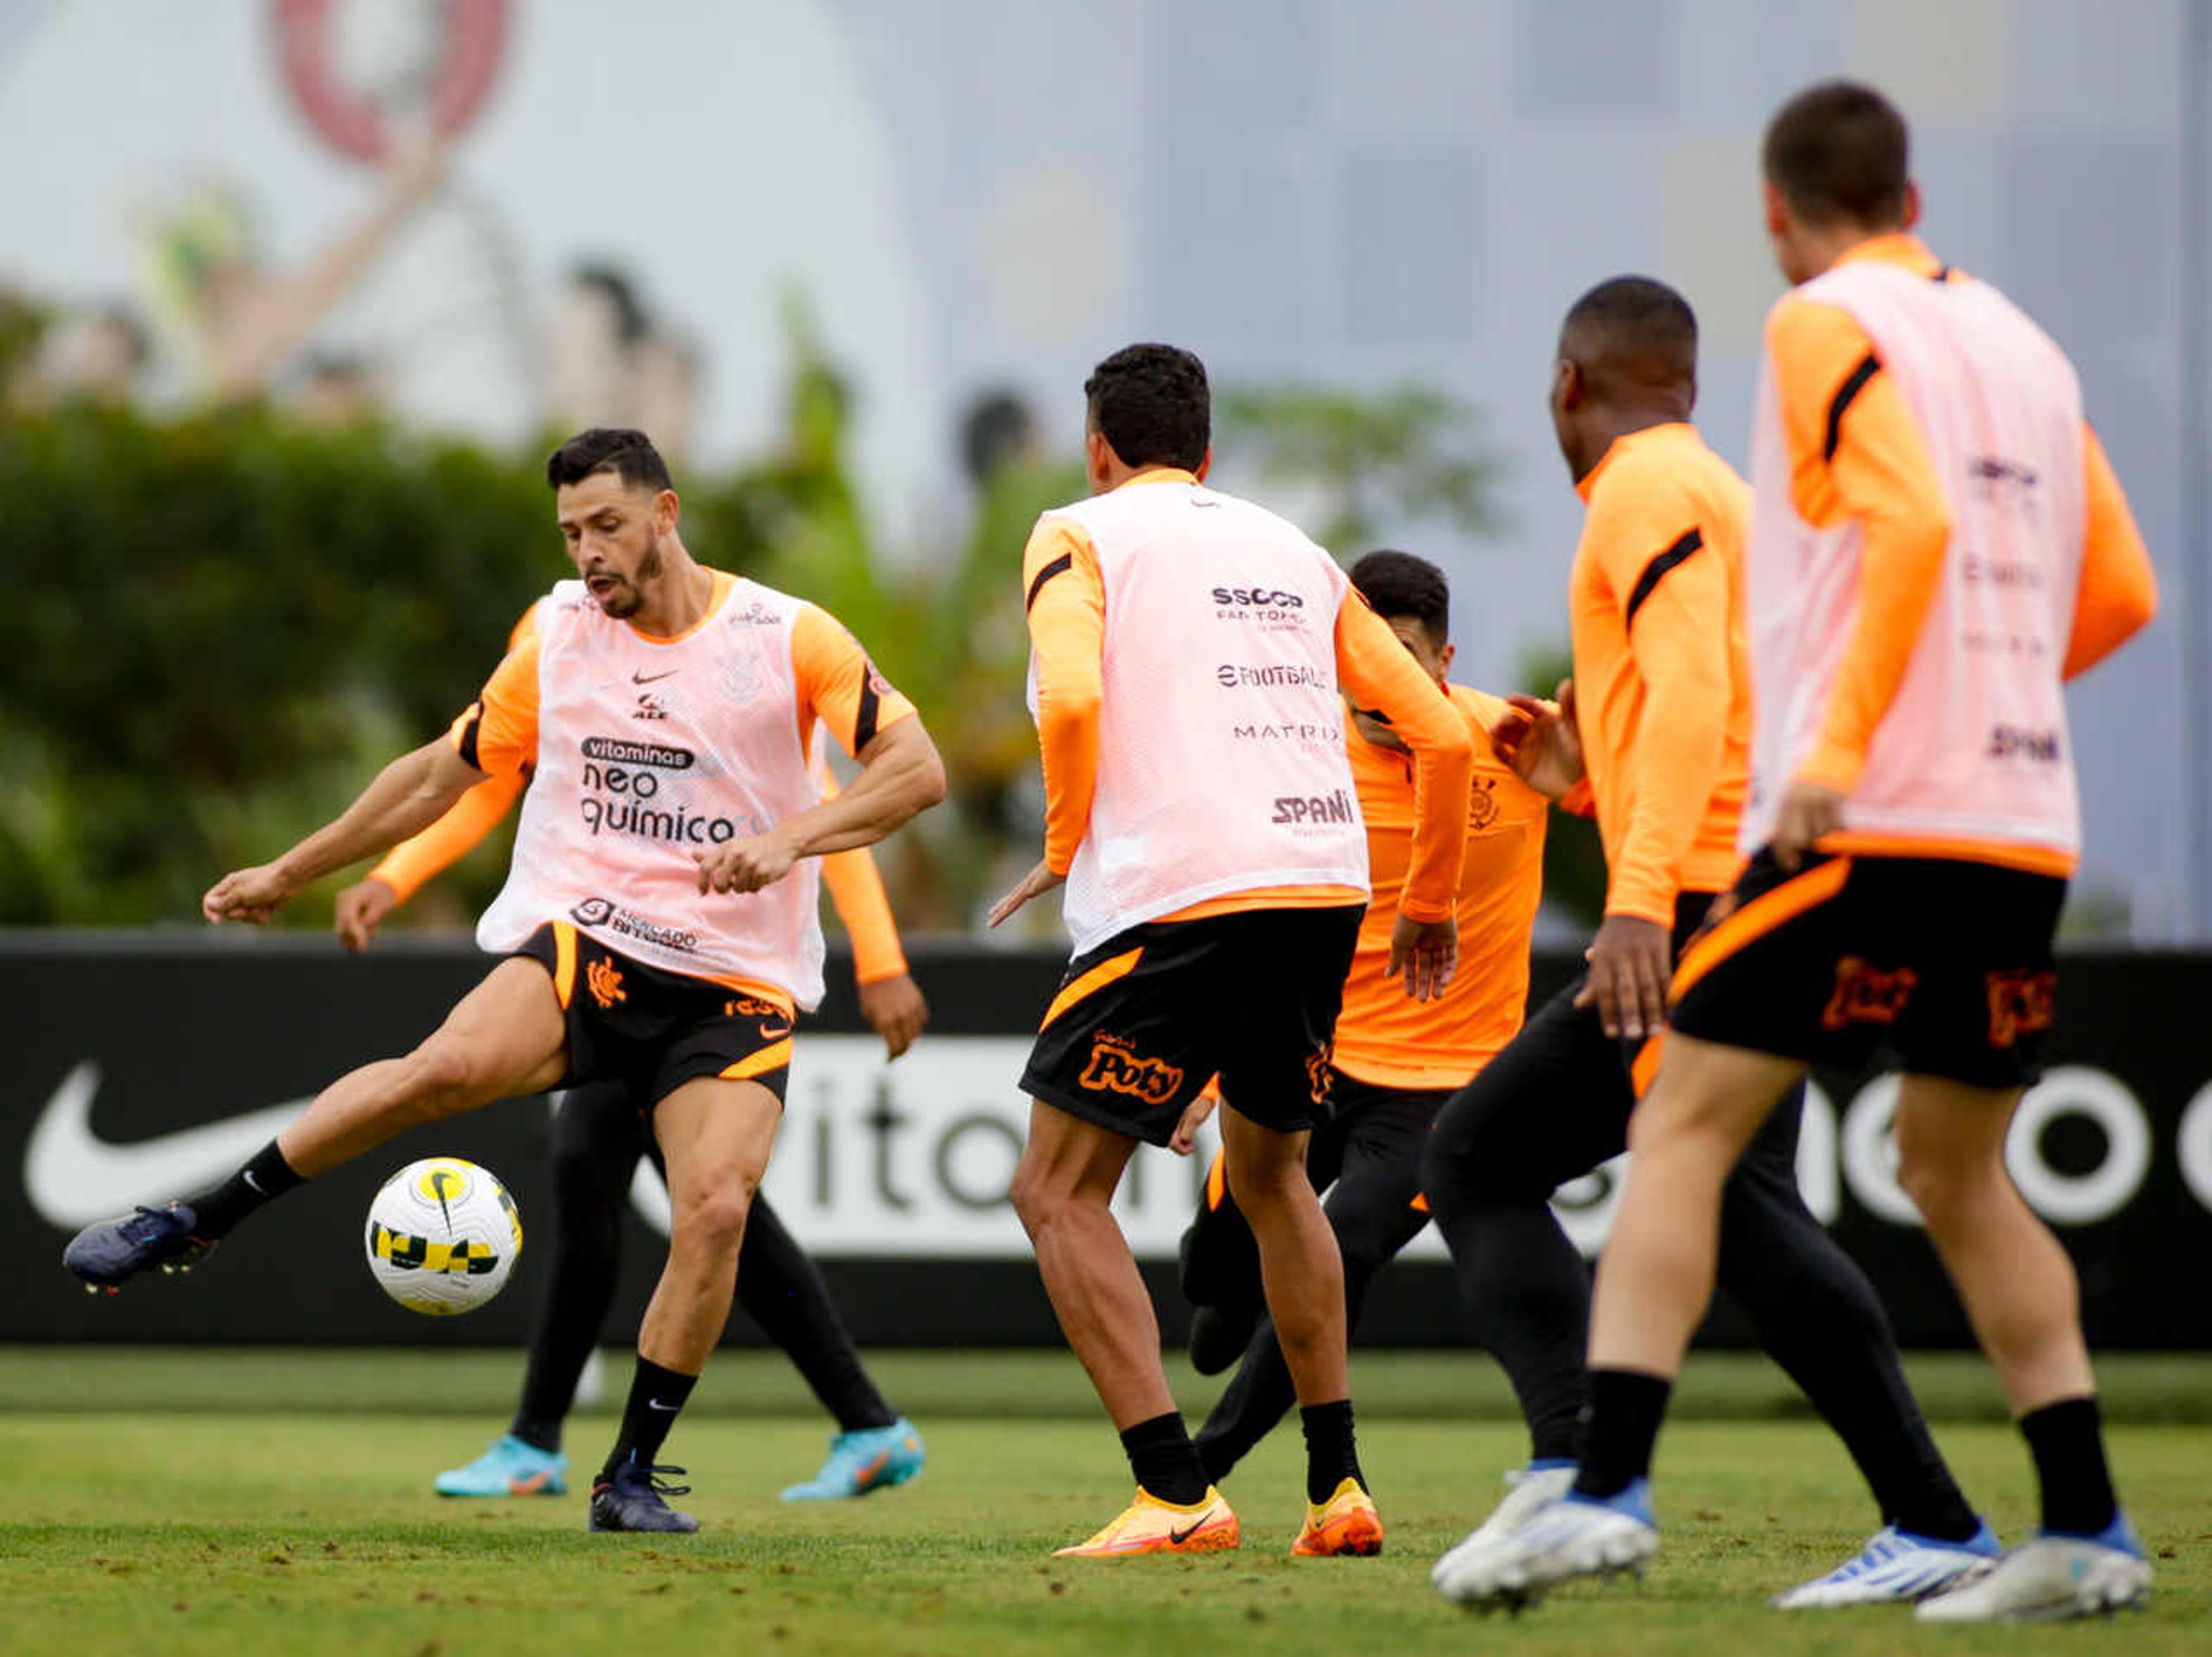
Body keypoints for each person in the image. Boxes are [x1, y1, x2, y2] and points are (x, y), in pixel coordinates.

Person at [1437, 82, 2158, 1622]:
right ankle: (2083, 1520)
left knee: (1682, 1131)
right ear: (1910, 192)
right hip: (2019, 815)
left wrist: (1836, 759)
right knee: (1952, 1171)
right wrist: (1983, 711)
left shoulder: (1820, 324)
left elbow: (1894, 528)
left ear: (1778, 213)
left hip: (1867, 819)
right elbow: (2119, 590)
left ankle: (1602, 1485)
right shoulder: (2029, 348)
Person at [62, 426, 946, 1537]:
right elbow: (444, 772)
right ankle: (196, 1219)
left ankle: (628, 1474)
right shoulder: (562, 637)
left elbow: (918, 770)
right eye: (573, 532)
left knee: (716, 1210)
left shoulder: (784, 636)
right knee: (440, 1069)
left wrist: (792, 841)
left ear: (667, 514)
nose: (589, 553)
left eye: (609, 526)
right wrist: (294, 867)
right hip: (591, 943)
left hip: (733, 986)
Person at [1429, 274, 1997, 1611]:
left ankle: (1583, 1470)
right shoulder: (1733, 500)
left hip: (1687, 907)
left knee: (1483, 1157)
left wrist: (1634, 899)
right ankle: (1924, 1513)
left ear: (1572, 385)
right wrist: (1578, 773)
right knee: (1734, 1212)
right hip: (1731, 889)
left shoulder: (1639, 488)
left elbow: (1689, 691)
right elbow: (1718, 710)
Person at [990, 343, 1476, 1559]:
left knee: (1055, 1191)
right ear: (1208, 453)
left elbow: (1072, 696)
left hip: (1181, 894)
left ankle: (1175, 1488)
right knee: (1269, 1181)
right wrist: (1427, 900)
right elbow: (1442, 734)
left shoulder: (1078, 531)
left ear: (1098, 446)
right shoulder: (1290, 547)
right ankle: (1338, 1485)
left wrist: (1061, 841)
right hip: (1323, 890)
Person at [330, 598, 927, 1504]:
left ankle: (541, 1439)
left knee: (626, 1179)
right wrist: (391, 875)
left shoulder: (687, 664)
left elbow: (830, 811)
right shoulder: (556, 648)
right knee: (711, 1214)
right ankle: (866, 1420)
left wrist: (880, 962)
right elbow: (485, 783)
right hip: (625, 970)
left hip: (700, 986)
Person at [1173, 549, 1551, 1481]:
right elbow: (1247, 919)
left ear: (1446, 659)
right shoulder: (1294, 757)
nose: (1385, 684)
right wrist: (1205, 1066)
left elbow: (1634, 802)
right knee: (1213, 1270)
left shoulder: (1514, 744)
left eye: (1407, 657)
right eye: (1365, 656)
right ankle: (1230, 1287)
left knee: (1341, 1255)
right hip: (1309, 1056)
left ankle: (1195, 1469)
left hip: (1444, 1084)